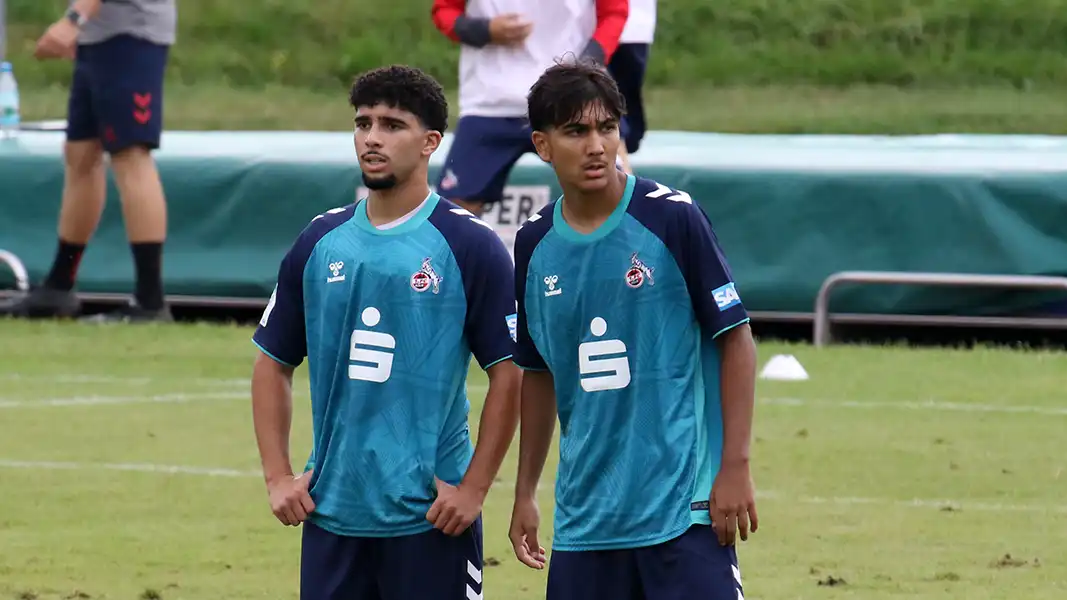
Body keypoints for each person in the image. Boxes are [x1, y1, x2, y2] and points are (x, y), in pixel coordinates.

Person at [250, 65, 521, 600]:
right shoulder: (320, 240)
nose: (372, 137)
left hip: (430, 520)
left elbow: (511, 374)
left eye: (392, 124)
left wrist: (473, 489)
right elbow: (272, 362)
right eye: (363, 122)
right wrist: (278, 476)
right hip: (331, 516)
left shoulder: (469, 245)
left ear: (430, 143)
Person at [507, 60, 760, 600]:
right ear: (543, 145)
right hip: (584, 522)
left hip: (682, 511)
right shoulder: (532, 245)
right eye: (576, 131)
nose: (597, 145)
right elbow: (538, 374)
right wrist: (526, 490)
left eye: (606, 127)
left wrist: (734, 466)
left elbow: (735, 338)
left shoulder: (672, 218)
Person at [0, 0, 175, 322]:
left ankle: (150, 300)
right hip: (100, 36)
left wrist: (74, 19)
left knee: (131, 155)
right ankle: (59, 286)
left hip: (130, 33)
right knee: (81, 155)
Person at [430, 0, 630, 217]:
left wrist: (588, 62)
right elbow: (445, 9)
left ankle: (634, 250)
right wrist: (484, 30)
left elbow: (614, 11)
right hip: (491, 99)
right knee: (454, 209)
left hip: (569, 96)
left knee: (614, 196)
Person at [609, 0, 655, 155]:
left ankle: (626, 143)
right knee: (598, 91)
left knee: (629, 93)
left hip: (634, 24)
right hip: (591, 26)